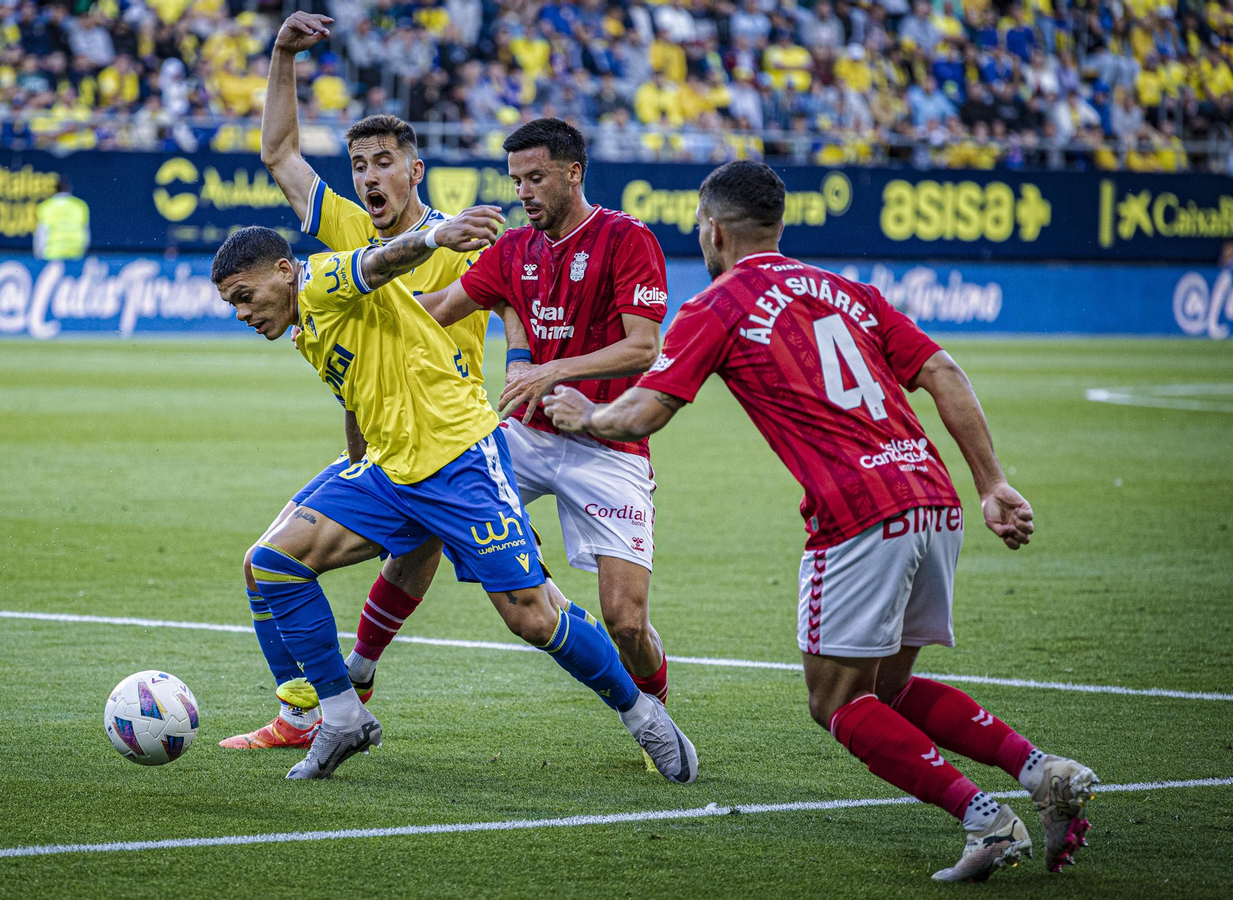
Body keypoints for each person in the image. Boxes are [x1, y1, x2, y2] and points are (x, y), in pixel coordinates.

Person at [540, 159, 1098, 881]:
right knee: (888, 692)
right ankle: (1040, 770)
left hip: (858, 516)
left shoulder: (718, 303)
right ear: (779, 225)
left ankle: (983, 819)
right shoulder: (849, 291)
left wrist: (589, 415)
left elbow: (651, 409)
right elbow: (943, 372)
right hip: (933, 500)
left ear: (712, 229)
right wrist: (992, 483)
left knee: (834, 702)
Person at [210, 217, 698, 783]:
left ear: (283, 271)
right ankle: (341, 715)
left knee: (534, 618)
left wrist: (432, 240)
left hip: (459, 460)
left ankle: (643, 715)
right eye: (232, 305)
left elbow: (378, 263)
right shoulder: (306, 330)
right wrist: (353, 469)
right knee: (273, 564)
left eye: (245, 297)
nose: (242, 313)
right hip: (392, 470)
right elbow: (358, 398)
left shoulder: (319, 280)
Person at [222, 12, 588, 752]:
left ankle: (634, 689)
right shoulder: (352, 232)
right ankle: (313, 706)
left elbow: (513, 294)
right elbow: (280, 152)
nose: (367, 178)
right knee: (272, 559)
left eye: (382, 163)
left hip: (457, 440)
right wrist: (283, 55)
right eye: (359, 167)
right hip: (389, 442)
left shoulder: (461, 237)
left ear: (413, 169)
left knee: (528, 604)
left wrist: (520, 360)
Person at [405, 118, 677, 715]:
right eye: (516, 180)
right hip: (527, 436)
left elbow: (644, 347)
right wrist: (345, 296)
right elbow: (438, 309)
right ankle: (362, 671)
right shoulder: (512, 248)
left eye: (536, 178)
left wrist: (552, 370)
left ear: (573, 173)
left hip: (608, 439)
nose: (523, 192)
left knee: (626, 622)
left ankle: (656, 711)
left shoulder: (627, 238)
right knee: (427, 517)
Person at [33, 177, 89, 261]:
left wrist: (38, 254)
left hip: (52, 254)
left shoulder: (46, 207)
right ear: (69, 189)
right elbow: (85, 232)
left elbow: (41, 233)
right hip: (75, 253)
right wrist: (82, 252)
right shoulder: (80, 206)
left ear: (54, 190)